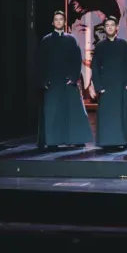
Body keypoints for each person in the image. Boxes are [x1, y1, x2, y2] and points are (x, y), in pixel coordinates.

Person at [36, 11, 93, 149]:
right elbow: (40, 62)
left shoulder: (71, 39)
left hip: (68, 81)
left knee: (74, 111)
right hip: (52, 81)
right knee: (52, 112)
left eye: (61, 19)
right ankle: (53, 141)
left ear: (64, 22)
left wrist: (73, 77)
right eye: (56, 19)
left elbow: (77, 59)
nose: (58, 22)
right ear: (52, 22)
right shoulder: (46, 40)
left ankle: (77, 139)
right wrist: (43, 80)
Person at [92, 16, 127, 149]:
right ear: (104, 28)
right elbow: (95, 67)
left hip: (122, 85)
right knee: (107, 114)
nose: (110, 27)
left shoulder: (123, 44)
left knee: (124, 113)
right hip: (106, 86)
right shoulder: (100, 46)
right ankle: (107, 141)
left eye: (112, 25)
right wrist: (99, 86)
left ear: (117, 27)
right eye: (107, 25)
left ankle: (124, 140)